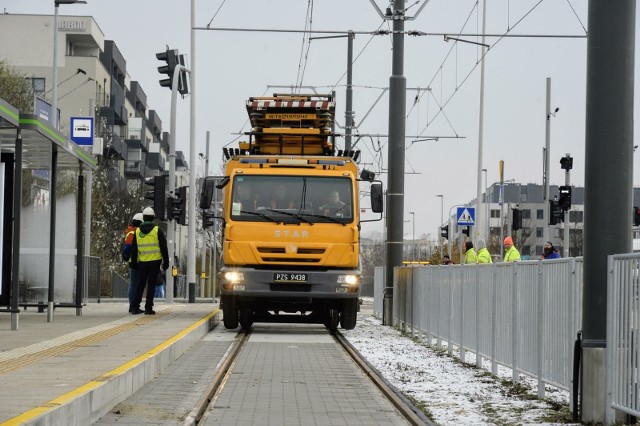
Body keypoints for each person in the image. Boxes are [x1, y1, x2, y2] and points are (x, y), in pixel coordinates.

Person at [130, 207, 169, 315]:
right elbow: (163, 247)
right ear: (153, 218)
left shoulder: (137, 231)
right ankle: (148, 308)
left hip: (142, 262)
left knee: (140, 284)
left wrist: (134, 263)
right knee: (151, 285)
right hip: (155, 262)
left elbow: (134, 249)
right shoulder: (157, 230)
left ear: (144, 217)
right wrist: (166, 262)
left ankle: (135, 307)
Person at [123, 212, 143, 312]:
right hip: (136, 262)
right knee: (134, 285)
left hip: (134, 261)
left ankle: (134, 305)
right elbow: (128, 248)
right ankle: (133, 306)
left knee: (134, 285)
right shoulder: (133, 233)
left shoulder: (131, 231)